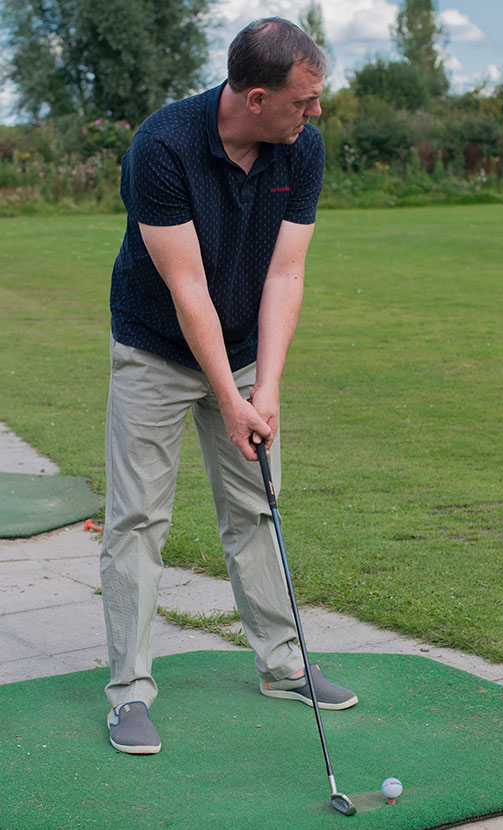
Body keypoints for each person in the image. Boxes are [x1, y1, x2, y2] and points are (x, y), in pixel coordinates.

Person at [100, 17, 357, 755]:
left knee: (256, 507)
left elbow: (285, 272)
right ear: (254, 97)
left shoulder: (300, 148)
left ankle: (283, 664)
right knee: (139, 519)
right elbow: (188, 292)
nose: (316, 114)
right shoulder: (162, 147)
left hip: (245, 350)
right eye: (304, 100)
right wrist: (229, 395)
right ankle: (128, 694)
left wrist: (265, 389)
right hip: (153, 348)